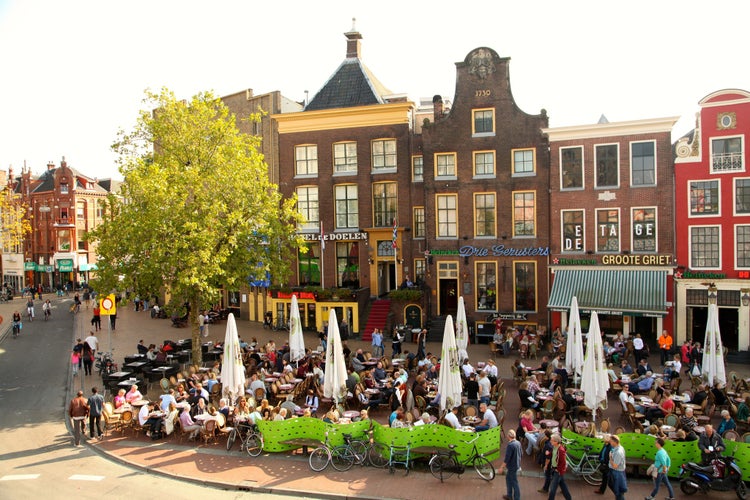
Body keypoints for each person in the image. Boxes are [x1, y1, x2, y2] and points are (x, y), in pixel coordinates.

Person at [499, 428, 522, 500]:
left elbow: (507, 458)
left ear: (509, 436)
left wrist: (502, 467)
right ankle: (509, 495)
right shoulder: (518, 443)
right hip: (516, 464)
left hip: (512, 466)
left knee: (514, 481)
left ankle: (517, 498)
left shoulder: (510, 445)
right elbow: (521, 453)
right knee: (508, 478)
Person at [547, 433, 572, 500]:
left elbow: (563, 462)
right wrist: (549, 453)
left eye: (552, 440)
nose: (550, 441)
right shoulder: (554, 447)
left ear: (556, 442)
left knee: (552, 489)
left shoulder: (561, 450)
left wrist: (558, 470)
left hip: (557, 472)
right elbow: (553, 454)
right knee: (563, 486)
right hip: (556, 470)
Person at [608, 434, 627, 500]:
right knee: (614, 487)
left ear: (614, 442)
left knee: (618, 490)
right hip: (616, 472)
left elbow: (615, 466)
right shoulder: (618, 448)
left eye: (610, 441)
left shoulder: (619, 452)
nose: (610, 443)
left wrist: (610, 457)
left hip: (617, 473)